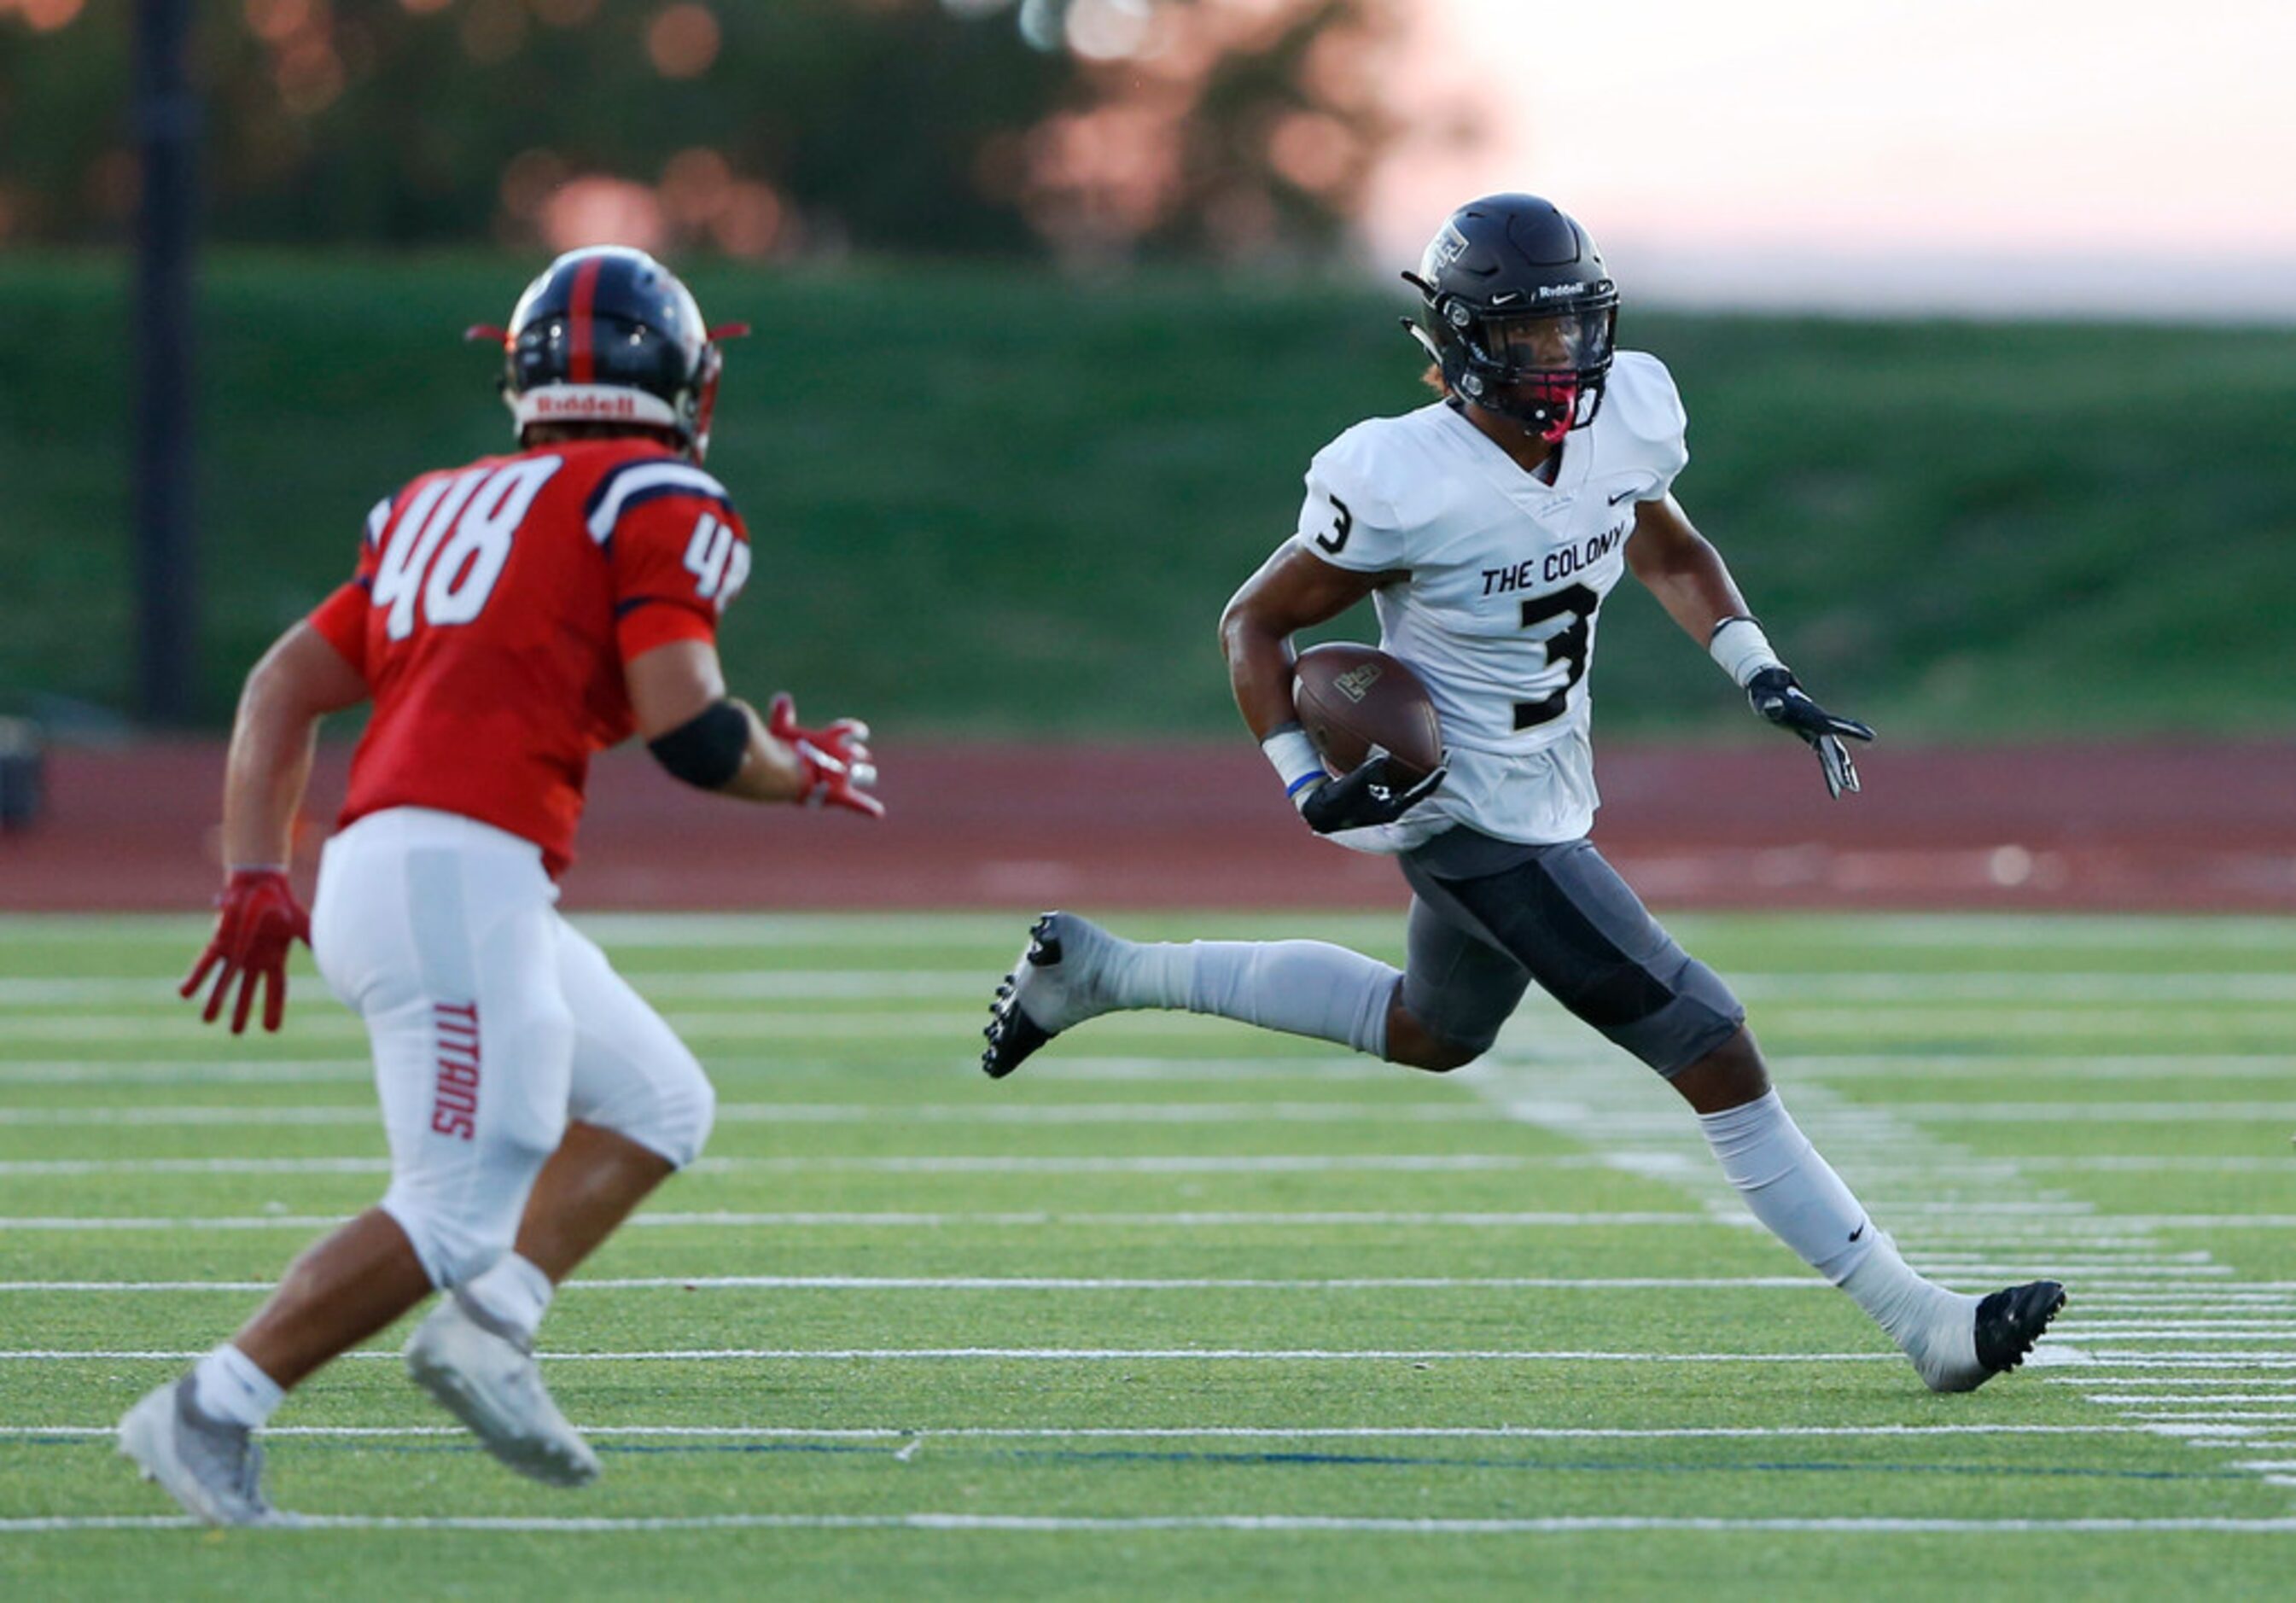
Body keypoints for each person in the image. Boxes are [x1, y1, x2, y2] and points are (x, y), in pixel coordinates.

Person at [982, 194, 2065, 1392]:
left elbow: (1666, 547)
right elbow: (1255, 623)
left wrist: (1761, 673)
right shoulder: (1401, 476)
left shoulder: (1625, 419)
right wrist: (1299, 777)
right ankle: (1923, 1321)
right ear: (1457, 342)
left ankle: (1100, 972)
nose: (1556, 359)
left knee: (1433, 1030)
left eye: (1567, 329)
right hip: (1467, 809)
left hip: (1544, 783)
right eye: (1525, 336)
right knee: (1711, 1043)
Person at [122, 246, 883, 1525]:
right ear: (688, 384)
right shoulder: (654, 496)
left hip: (421, 870)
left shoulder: (435, 500)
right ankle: (210, 1407)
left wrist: (258, 866)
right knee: (453, 1204)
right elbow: (689, 728)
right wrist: (793, 771)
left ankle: (489, 1331)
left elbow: (281, 687)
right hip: (452, 876)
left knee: (654, 1098)